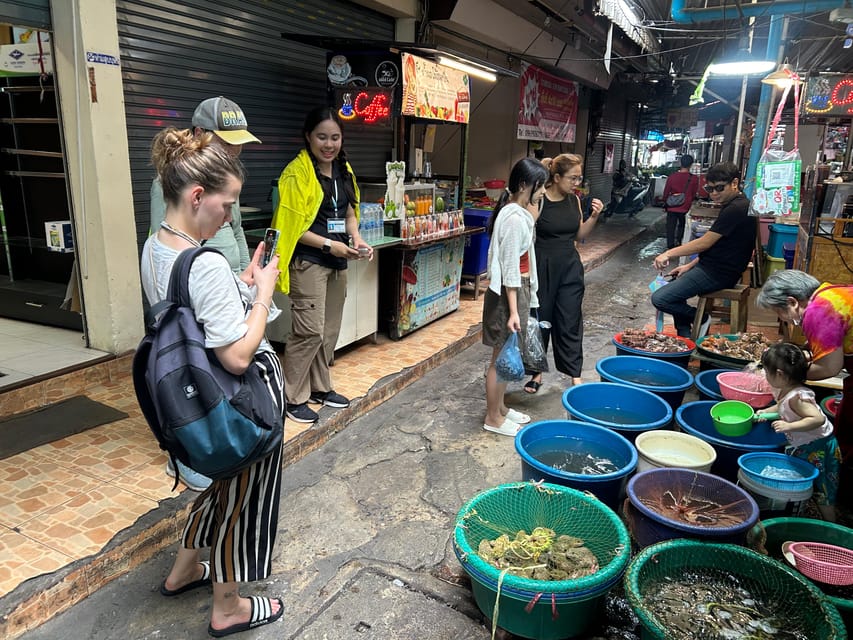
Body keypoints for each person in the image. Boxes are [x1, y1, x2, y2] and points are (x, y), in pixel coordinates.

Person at [141, 127, 284, 637]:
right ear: (197, 196)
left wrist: (236, 287)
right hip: (236, 407)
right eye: (228, 204)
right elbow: (238, 355)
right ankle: (229, 607)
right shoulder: (205, 263)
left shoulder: (157, 247)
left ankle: (184, 571)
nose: (231, 216)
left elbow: (193, 320)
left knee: (222, 487)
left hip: (194, 404)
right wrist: (263, 293)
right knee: (243, 501)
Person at [149, 96, 261, 492]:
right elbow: (235, 357)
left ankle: (193, 556)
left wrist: (243, 278)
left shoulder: (215, 194)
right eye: (225, 141)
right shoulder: (194, 243)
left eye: (237, 143)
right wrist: (261, 295)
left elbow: (234, 235)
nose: (233, 150)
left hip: (221, 287)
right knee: (224, 488)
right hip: (211, 317)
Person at [271, 107, 373, 424]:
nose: (328, 144)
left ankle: (319, 387)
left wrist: (356, 239)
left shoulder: (344, 170)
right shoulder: (296, 174)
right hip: (309, 261)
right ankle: (291, 396)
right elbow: (292, 228)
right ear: (308, 137)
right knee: (307, 331)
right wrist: (331, 244)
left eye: (335, 137)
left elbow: (350, 211)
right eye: (322, 137)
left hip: (338, 261)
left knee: (327, 331)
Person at [524, 154, 604, 394]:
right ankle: (536, 372)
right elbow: (527, 230)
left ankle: (574, 374)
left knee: (570, 319)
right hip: (543, 265)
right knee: (541, 319)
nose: (576, 183)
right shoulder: (539, 199)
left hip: (570, 265)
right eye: (572, 178)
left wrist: (594, 217)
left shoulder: (575, 201)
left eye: (579, 178)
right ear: (556, 177)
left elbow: (580, 235)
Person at [482, 157, 549, 435]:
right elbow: (510, 268)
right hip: (508, 293)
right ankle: (492, 418)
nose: (543, 191)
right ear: (525, 185)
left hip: (515, 290)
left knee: (506, 354)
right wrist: (512, 311)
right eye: (540, 186)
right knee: (501, 357)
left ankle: (500, 409)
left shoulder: (518, 214)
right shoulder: (513, 219)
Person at [755, 269, 852, 461]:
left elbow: (829, 368)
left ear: (792, 302)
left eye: (779, 312)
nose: (783, 319)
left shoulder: (817, 312)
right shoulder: (830, 292)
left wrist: (790, 378)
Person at [651, 161, 755, 338]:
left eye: (719, 188)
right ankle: (685, 335)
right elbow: (717, 247)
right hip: (710, 267)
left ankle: (700, 318)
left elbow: (705, 243)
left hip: (719, 274)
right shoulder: (732, 205)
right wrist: (688, 266)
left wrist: (668, 253)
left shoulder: (738, 208)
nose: (714, 193)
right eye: (710, 189)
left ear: (735, 183)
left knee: (660, 298)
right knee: (674, 288)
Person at [756, 342, 841, 522]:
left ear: (779, 374)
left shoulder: (798, 397)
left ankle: (831, 524)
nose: (765, 374)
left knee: (823, 489)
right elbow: (782, 405)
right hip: (806, 443)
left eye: (766, 371)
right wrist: (766, 412)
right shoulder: (788, 390)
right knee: (808, 480)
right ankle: (802, 506)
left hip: (819, 445)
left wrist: (789, 426)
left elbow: (817, 418)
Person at [662, 154, 700, 250]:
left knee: (670, 226)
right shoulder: (694, 178)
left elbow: (666, 192)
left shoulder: (672, 177)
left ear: (680, 163)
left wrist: (665, 202)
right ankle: (679, 242)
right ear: (691, 164)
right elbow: (694, 193)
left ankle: (670, 245)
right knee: (683, 225)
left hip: (672, 205)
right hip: (685, 206)